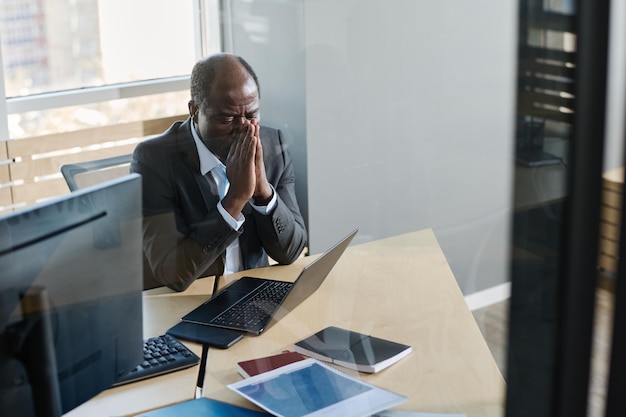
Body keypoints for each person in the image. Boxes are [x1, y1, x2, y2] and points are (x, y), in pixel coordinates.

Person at [131, 53, 307, 292]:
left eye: (251, 115)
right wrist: (234, 200)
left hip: (253, 295)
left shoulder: (272, 146)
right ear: (194, 111)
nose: (243, 129)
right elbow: (172, 273)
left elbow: (292, 252)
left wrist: (263, 191)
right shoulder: (155, 160)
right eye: (228, 118)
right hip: (191, 305)